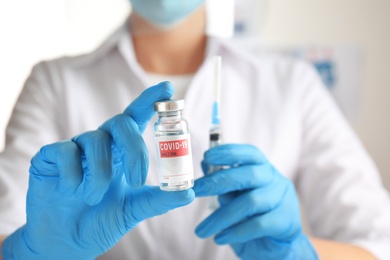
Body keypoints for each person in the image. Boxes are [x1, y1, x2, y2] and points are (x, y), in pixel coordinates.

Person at [1, 0, 390, 259]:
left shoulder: (292, 84)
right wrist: (32, 250)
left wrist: (295, 251)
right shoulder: (54, 82)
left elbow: (377, 244)